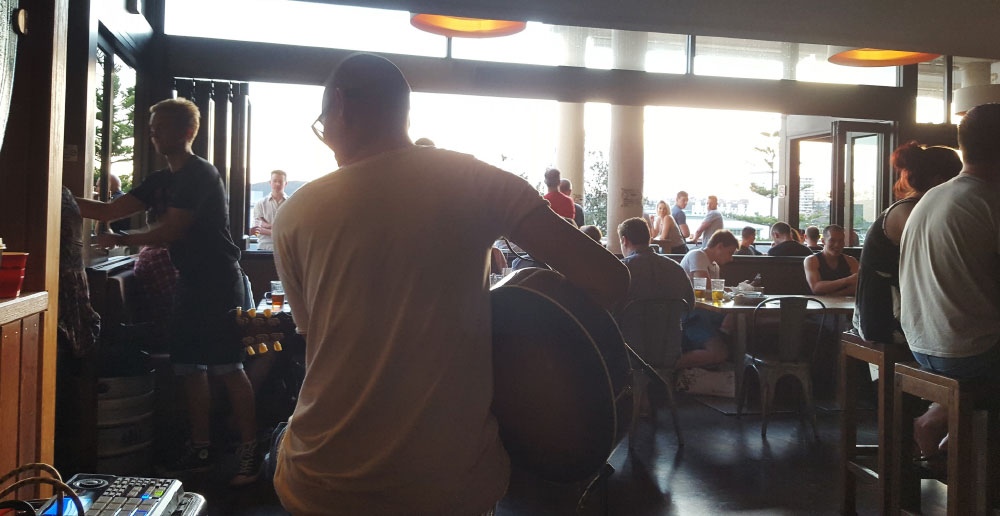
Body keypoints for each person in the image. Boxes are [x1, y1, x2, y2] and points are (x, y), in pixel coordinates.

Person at [269, 53, 629, 516]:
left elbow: (318, 344)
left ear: (340, 105)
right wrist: (511, 351)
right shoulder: (475, 180)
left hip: (322, 481)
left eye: (322, 124)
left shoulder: (293, 214)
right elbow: (609, 280)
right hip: (450, 485)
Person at [76, 98, 260, 486]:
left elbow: (171, 230)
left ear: (187, 131)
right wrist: (61, 198)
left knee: (228, 366)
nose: (153, 132)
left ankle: (249, 451)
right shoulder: (160, 180)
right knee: (190, 367)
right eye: (152, 126)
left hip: (219, 282)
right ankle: (201, 450)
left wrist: (120, 238)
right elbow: (108, 211)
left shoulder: (201, 173)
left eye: (160, 126)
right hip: (189, 281)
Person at [900, 104, 1000, 457]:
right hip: (969, 353)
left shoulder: (933, 196)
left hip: (922, 345)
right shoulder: (989, 199)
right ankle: (978, 468)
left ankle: (948, 426)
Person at [854, 142, 962, 345]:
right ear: (940, 181)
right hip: (884, 318)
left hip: (899, 311)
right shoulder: (909, 212)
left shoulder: (916, 208)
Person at [677, 230, 739, 369]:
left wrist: (737, 290)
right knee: (720, 352)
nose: (731, 258)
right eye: (730, 252)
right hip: (691, 316)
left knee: (740, 319)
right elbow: (705, 287)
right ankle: (668, 366)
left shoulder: (714, 266)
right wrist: (734, 292)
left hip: (704, 314)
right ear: (719, 246)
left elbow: (714, 292)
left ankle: (725, 335)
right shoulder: (697, 255)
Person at [618, 217, 694, 308]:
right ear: (649, 239)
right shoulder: (676, 268)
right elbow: (690, 303)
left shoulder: (621, 269)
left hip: (630, 317)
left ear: (624, 241)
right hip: (670, 317)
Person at [803, 224, 859, 295]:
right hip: (818, 302)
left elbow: (858, 287)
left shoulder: (851, 261)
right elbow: (816, 288)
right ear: (823, 241)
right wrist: (848, 280)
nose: (837, 245)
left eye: (841, 241)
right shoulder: (811, 260)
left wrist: (835, 294)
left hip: (846, 301)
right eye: (832, 240)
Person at [251, 169, 289, 251]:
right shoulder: (260, 203)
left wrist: (266, 226)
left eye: (280, 181)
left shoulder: (291, 204)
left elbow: (291, 228)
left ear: (285, 183)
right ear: (270, 182)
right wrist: (276, 230)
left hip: (285, 249)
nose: (277, 184)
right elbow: (256, 229)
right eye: (275, 181)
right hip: (264, 247)